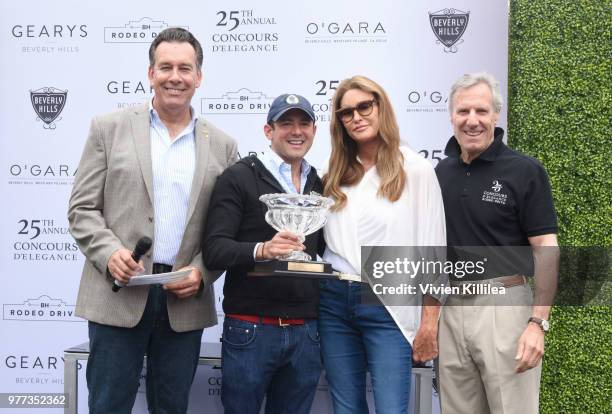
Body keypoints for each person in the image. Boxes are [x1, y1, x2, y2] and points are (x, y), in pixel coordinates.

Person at [68, 27, 237, 414]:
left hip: (184, 300)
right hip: (117, 295)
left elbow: (223, 229)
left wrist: (201, 272)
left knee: (172, 407)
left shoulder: (224, 145)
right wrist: (110, 253)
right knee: (108, 405)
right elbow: (81, 209)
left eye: (185, 68)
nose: (174, 77)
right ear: (150, 73)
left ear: (199, 76)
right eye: (165, 67)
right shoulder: (107, 128)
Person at [320, 75, 446, 413]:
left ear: (381, 107)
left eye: (364, 107)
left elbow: (433, 253)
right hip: (333, 302)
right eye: (346, 113)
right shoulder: (332, 174)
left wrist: (429, 324)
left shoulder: (416, 169)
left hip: (388, 303)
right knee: (346, 410)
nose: (356, 117)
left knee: (392, 409)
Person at [435, 72, 559, 414]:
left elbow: (546, 246)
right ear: (451, 116)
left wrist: (537, 324)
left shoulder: (524, 170)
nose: (471, 120)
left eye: (481, 111)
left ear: (495, 116)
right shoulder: (439, 174)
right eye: (463, 111)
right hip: (452, 306)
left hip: (505, 306)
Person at [202, 93, 324, 414]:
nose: (296, 131)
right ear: (268, 131)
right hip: (252, 329)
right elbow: (215, 250)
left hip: (306, 331)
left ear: (314, 130)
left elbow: (323, 254)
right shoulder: (239, 177)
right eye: (286, 123)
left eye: (304, 123)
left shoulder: (318, 185)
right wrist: (263, 250)